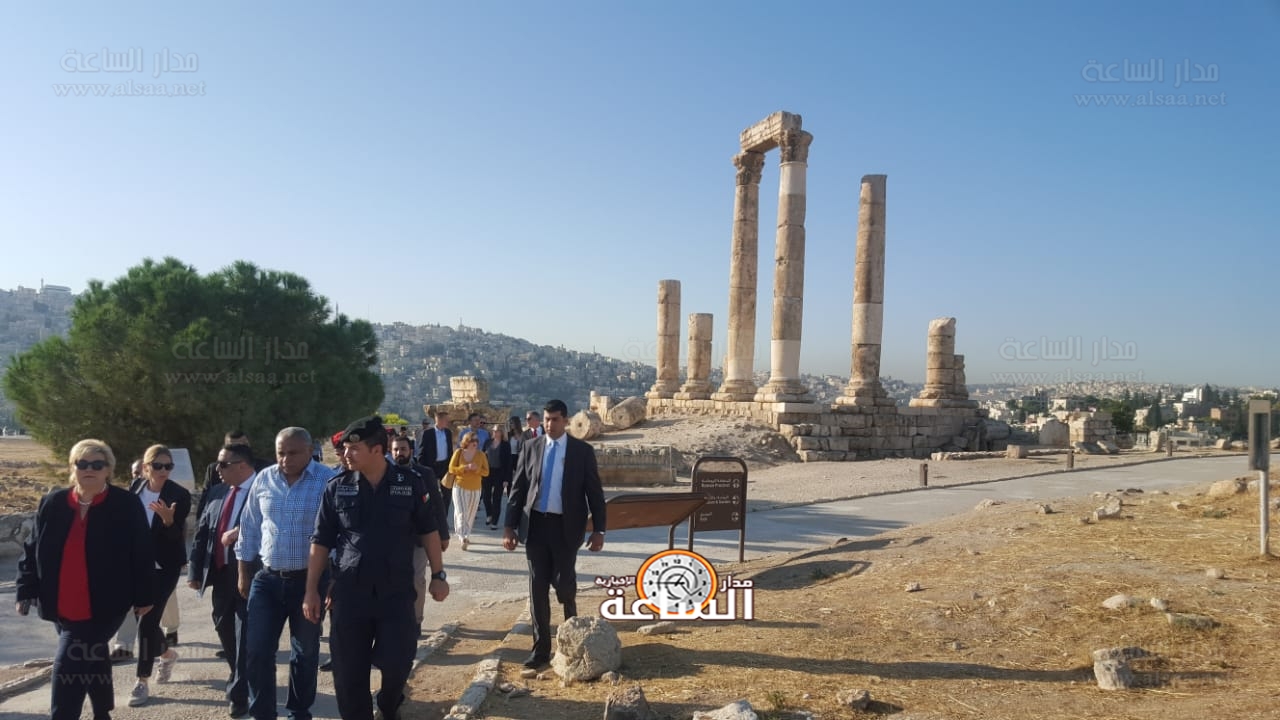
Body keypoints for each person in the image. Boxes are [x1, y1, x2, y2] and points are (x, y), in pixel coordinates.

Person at [304, 416, 449, 720]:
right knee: (348, 671)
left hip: (395, 591)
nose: (346, 454)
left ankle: (389, 701)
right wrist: (311, 590)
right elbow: (320, 541)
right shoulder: (337, 487)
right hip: (349, 592)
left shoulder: (409, 484)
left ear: (377, 450)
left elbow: (429, 531)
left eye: (354, 448)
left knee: (399, 660)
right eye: (345, 448)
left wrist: (438, 575)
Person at [15, 439, 155, 720]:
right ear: (73, 467)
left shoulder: (125, 504)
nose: (89, 469)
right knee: (91, 655)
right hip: (62, 604)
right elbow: (33, 549)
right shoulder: (53, 503)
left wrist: (145, 595)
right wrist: (25, 589)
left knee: (69, 664)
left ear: (108, 470)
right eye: (83, 463)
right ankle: (103, 712)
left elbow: (142, 551)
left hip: (105, 606)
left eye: (97, 464)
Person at [236, 427, 337, 720]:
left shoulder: (327, 480)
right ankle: (262, 713)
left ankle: (298, 712)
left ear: (309, 451)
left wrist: (332, 580)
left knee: (305, 652)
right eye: (281, 453)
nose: (285, 459)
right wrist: (243, 572)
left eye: (293, 453)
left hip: (310, 582)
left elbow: (339, 532)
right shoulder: (264, 479)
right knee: (257, 650)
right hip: (267, 580)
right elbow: (250, 526)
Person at [502, 399, 606, 668]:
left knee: (564, 585)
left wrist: (599, 530)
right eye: (547, 419)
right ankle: (540, 650)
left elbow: (594, 493)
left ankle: (572, 639)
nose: (550, 424)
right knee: (537, 587)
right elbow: (518, 489)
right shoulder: (531, 447)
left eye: (555, 419)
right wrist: (509, 526)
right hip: (535, 525)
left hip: (566, 527)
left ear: (566, 420)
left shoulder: (581, 452)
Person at [188, 443, 257, 718]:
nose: (217, 469)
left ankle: (239, 694)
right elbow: (202, 532)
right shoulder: (218, 491)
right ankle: (239, 674)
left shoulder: (263, 489)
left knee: (244, 633)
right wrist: (195, 571)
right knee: (223, 627)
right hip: (220, 574)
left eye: (223, 464)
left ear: (243, 465)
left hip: (251, 574)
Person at [128, 444, 192, 707]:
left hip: (165, 567)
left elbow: (177, 536)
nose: (164, 470)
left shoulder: (179, 495)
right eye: (158, 465)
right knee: (143, 619)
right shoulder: (135, 489)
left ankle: (141, 681)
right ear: (146, 467)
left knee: (147, 621)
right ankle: (167, 654)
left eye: (168, 466)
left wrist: (168, 521)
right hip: (137, 567)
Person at [389, 435, 450, 634]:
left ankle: (415, 621)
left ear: (411, 451)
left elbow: (437, 504)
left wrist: (443, 534)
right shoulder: (386, 474)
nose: (399, 453)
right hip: (393, 540)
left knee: (416, 579)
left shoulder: (424, 474)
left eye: (403, 449)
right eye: (396, 449)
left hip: (419, 538)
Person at [109, 458, 147, 663]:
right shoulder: (126, 496)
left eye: (142, 472)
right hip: (131, 554)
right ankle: (124, 646)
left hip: (159, 555)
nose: (139, 476)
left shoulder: (165, 491)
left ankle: (170, 630)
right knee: (129, 603)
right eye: (135, 473)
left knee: (163, 603)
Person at [448, 431, 489, 550]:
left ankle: (466, 534)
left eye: (476, 440)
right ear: (466, 441)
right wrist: (464, 468)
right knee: (461, 512)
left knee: (470, 514)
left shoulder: (481, 455)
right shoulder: (459, 452)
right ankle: (463, 537)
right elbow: (451, 469)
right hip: (459, 486)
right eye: (472, 440)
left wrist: (476, 470)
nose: (475, 443)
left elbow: (486, 472)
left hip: (475, 488)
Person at [416, 410, 454, 516]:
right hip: (431, 466)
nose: (447, 422)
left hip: (445, 466)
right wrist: (422, 468)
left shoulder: (448, 432)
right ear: (439, 420)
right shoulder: (428, 433)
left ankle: (443, 516)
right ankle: (431, 515)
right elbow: (421, 451)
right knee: (431, 492)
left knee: (447, 493)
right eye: (446, 420)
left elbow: (450, 450)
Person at [483, 425, 513, 530]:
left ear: (502, 432)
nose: (495, 433)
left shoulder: (506, 445)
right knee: (486, 496)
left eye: (497, 431)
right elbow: (482, 457)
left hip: (500, 473)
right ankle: (489, 514)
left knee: (497, 498)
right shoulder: (487, 442)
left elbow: (509, 463)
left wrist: (507, 479)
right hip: (487, 472)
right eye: (494, 431)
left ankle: (494, 522)